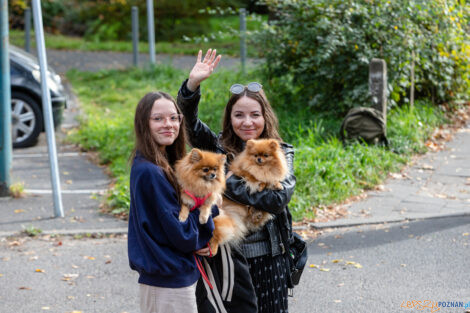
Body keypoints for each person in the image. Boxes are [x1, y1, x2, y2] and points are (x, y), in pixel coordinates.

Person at [177, 49, 297, 313]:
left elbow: (276, 200)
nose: (247, 122)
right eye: (239, 115)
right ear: (230, 119)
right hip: (226, 257)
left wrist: (225, 183)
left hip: (270, 258)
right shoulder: (217, 147)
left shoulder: (281, 151)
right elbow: (188, 124)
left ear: (265, 116)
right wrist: (192, 85)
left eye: (254, 114)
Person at [127, 91, 217, 313]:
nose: (168, 124)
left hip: (173, 277)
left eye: (174, 118)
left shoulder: (160, 164)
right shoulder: (150, 171)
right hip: (167, 283)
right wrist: (210, 209)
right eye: (158, 119)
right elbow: (182, 234)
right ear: (143, 124)